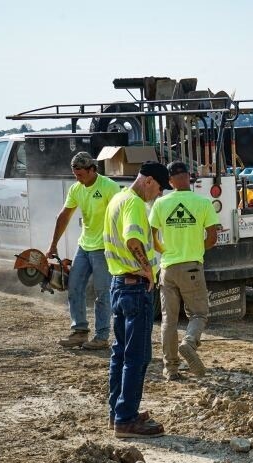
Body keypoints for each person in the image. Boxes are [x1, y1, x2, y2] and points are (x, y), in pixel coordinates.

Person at [104, 162, 170, 438]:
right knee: (137, 357)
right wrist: (146, 269)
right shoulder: (133, 204)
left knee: (120, 353)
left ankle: (117, 413)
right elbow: (133, 240)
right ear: (149, 181)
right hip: (134, 287)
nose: (157, 195)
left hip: (119, 285)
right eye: (158, 188)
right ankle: (127, 419)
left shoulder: (117, 198)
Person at [148, 161, 220, 381]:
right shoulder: (202, 203)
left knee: (169, 320)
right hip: (191, 266)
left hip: (167, 268)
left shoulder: (160, 204)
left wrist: (166, 251)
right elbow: (212, 238)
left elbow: (152, 238)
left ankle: (170, 368)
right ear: (189, 176)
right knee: (198, 313)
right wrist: (196, 248)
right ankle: (189, 342)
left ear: (169, 181)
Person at [48, 152, 121, 350]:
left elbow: (120, 216)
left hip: (104, 248)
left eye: (80, 174)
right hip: (85, 245)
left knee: (102, 293)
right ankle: (79, 331)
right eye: (75, 174)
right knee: (74, 287)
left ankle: (102, 336)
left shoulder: (109, 187)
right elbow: (64, 215)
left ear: (92, 170)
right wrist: (53, 244)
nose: (77, 178)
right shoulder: (76, 189)